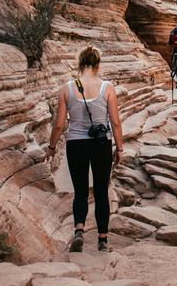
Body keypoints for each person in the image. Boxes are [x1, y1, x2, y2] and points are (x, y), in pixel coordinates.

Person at [45, 45, 124, 253]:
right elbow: (115, 122)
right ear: (98, 65)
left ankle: (79, 231)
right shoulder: (107, 88)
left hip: (76, 143)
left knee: (80, 191)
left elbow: (59, 124)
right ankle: (103, 240)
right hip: (101, 144)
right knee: (100, 191)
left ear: (80, 64)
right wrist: (120, 149)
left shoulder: (67, 88)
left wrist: (52, 147)